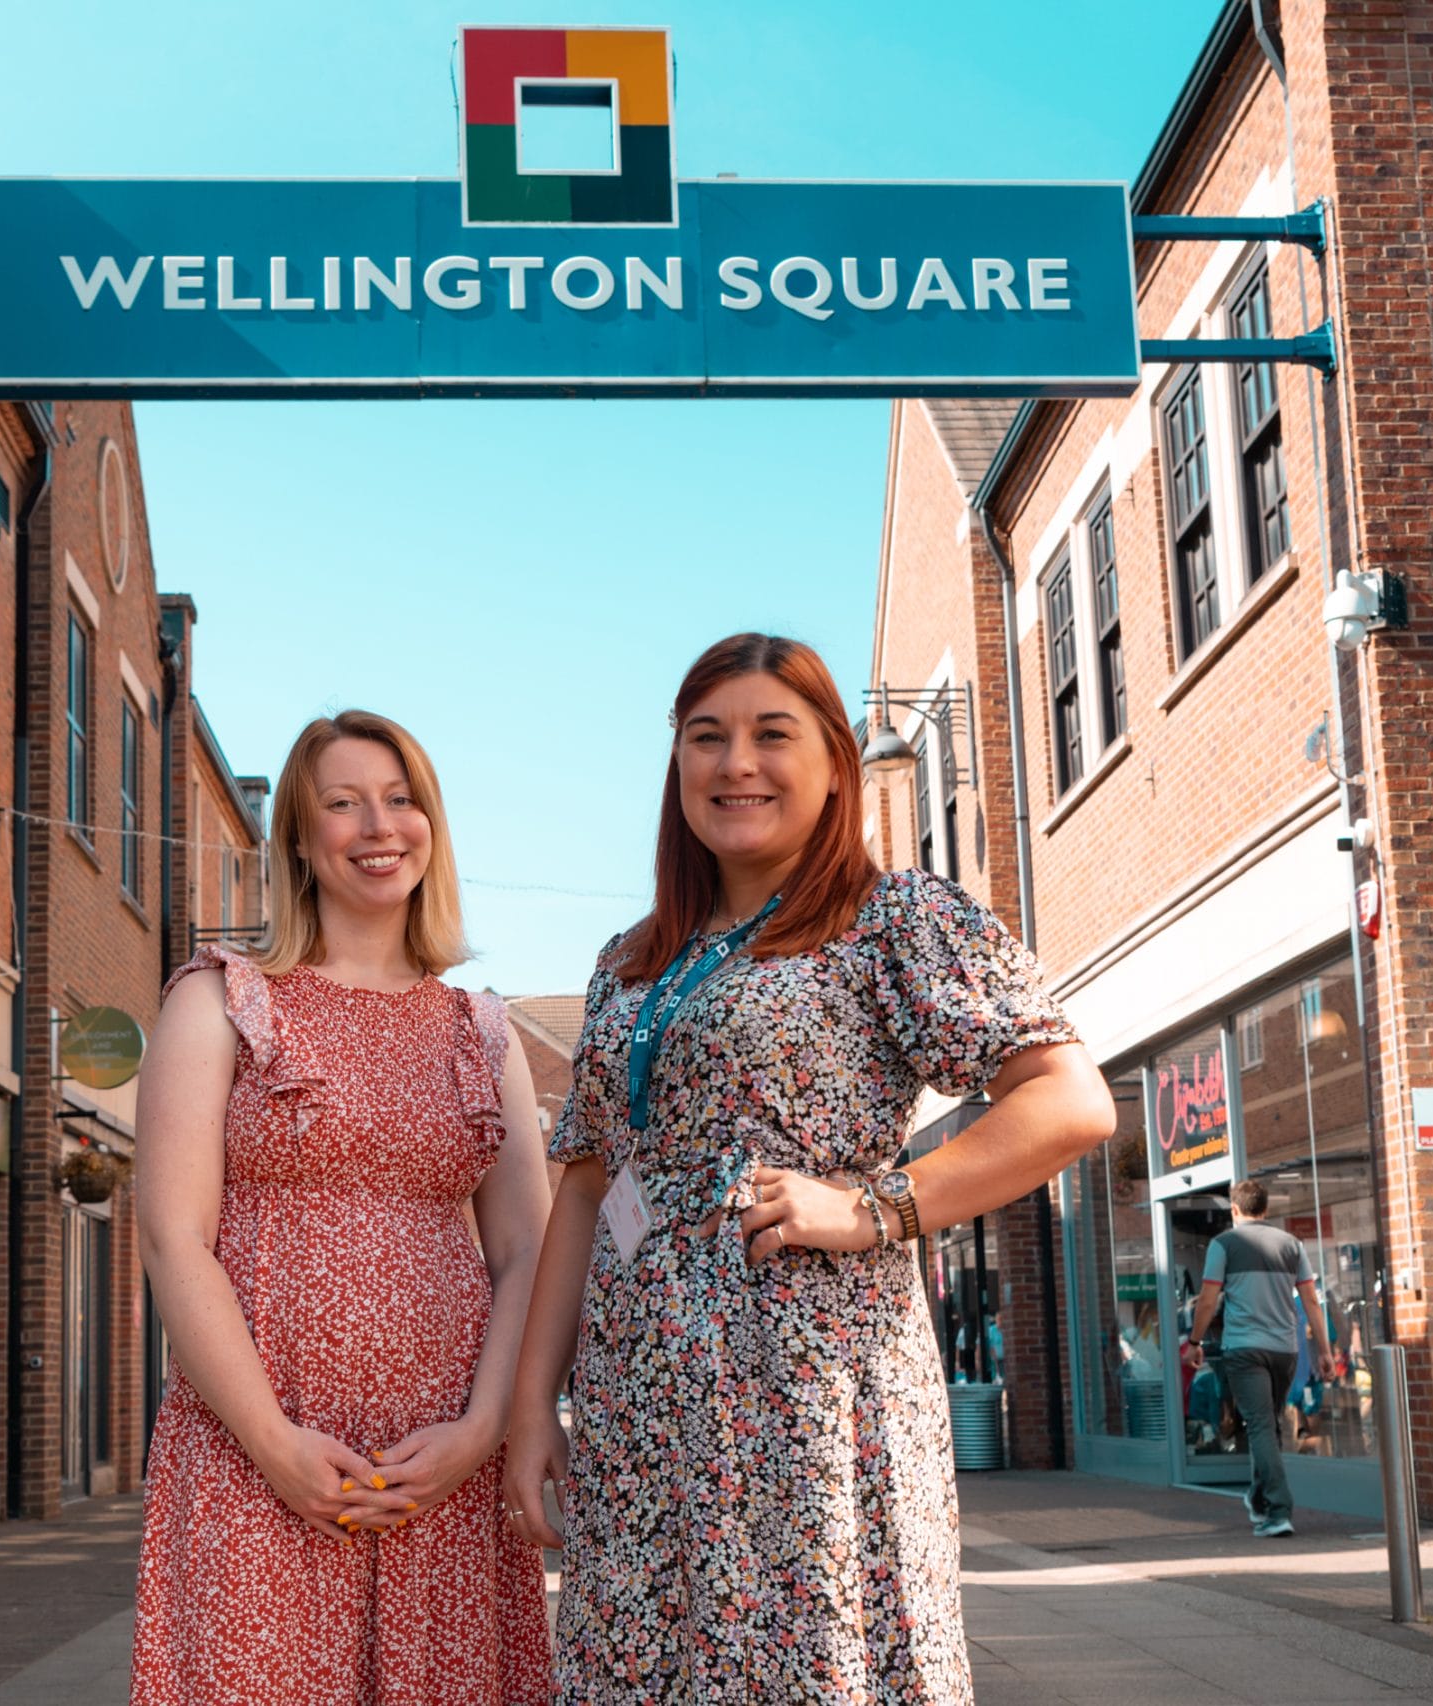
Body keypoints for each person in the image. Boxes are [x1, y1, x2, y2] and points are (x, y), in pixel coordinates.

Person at [501, 633, 1115, 1701]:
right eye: (707, 736)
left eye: (770, 733)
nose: (736, 762)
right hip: (639, 1407)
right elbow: (587, 1187)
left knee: (815, 1657)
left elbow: (1069, 1100)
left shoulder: (896, 920)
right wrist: (528, 1411)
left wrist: (876, 1205)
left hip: (807, 1388)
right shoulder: (628, 961)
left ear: (834, 759)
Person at [131, 710, 554, 1705]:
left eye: (402, 798)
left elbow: (527, 1248)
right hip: (255, 1453)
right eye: (344, 800)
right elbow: (172, 1236)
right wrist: (276, 1447)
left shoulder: (482, 1029)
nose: (380, 822)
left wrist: (483, 1427)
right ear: (297, 837)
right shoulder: (222, 1001)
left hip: (438, 1469)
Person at [1185, 1180, 1334, 1538]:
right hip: (1285, 1351)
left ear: (1234, 1210)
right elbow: (1312, 1301)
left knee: (1262, 1426)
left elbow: (1207, 1300)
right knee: (1267, 1424)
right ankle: (1260, 1498)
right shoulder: (1292, 1245)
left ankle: (1279, 1511)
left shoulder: (1224, 1245)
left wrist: (1195, 1341)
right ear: (1265, 1210)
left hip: (1245, 1349)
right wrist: (1325, 1350)